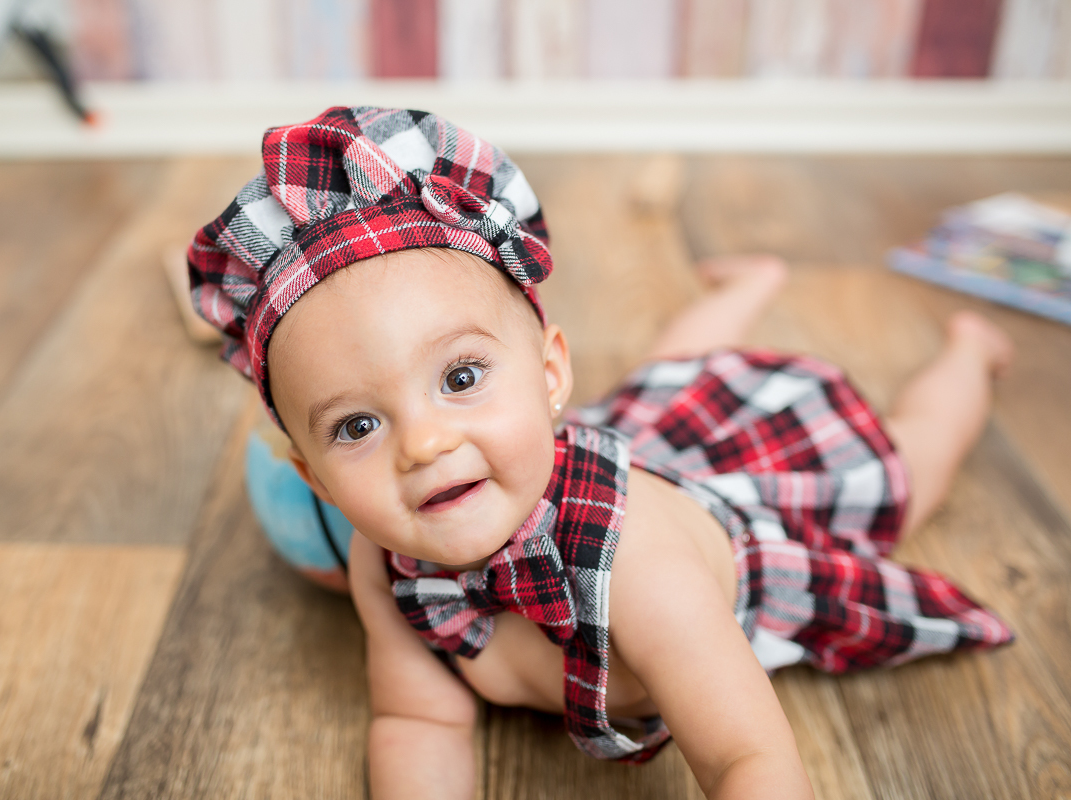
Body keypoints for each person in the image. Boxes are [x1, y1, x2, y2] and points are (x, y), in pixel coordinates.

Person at [187, 107, 1014, 800]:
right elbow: (417, 720)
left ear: (550, 375)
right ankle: (741, 290)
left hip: (748, 489)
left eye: (462, 376)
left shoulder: (637, 569)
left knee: (906, 466)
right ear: (315, 481)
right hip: (605, 446)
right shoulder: (385, 560)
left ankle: (967, 355)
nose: (425, 443)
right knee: (660, 383)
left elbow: (747, 759)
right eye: (357, 427)